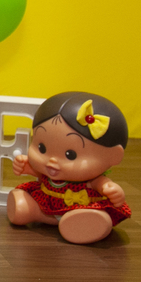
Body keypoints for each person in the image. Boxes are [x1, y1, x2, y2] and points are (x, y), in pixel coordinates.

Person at [8, 91, 132, 244]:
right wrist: (26, 167)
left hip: (81, 208)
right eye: (41, 148)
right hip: (46, 205)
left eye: (70, 155)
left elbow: (103, 185)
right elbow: (38, 174)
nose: (52, 161)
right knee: (24, 201)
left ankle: (87, 223)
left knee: (97, 215)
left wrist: (114, 191)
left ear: (113, 156)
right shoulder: (48, 172)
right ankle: (30, 212)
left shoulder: (93, 180)